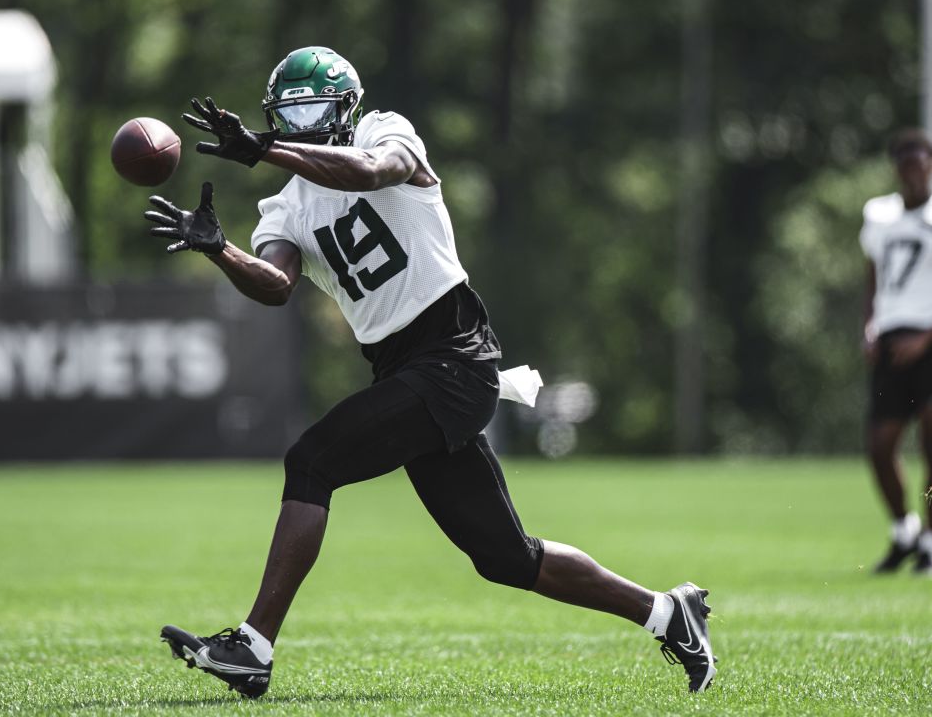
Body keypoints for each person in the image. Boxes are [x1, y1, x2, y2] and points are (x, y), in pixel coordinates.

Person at [142, 46, 716, 697]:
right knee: (505, 558)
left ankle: (252, 647)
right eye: (290, 112)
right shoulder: (287, 204)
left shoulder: (385, 129)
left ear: (345, 107)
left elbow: (373, 171)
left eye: (313, 108)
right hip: (402, 369)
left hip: (453, 353)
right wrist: (220, 251)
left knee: (312, 460)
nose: (301, 123)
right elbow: (276, 284)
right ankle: (667, 613)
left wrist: (266, 147)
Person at [859, 128, 932, 576]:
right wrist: (870, 325)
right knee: (880, 446)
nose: (914, 174)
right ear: (897, 169)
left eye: (921, 164)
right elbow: (873, 275)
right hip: (893, 341)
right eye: (905, 166)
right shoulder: (879, 215)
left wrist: (927, 339)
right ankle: (904, 531)